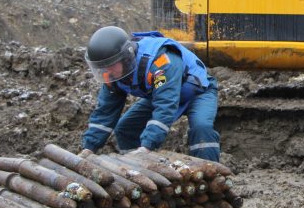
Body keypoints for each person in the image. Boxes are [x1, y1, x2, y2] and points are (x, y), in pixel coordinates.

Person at [78, 26, 221, 161]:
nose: (106, 72)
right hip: (160, 93)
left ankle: (211, 172)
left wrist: (147, 146)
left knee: (201, 127)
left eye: (110, 66)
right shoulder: (112, 74)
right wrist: (88, 148)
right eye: (102, 68)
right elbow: (105, 111)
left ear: (126, 57)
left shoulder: (160, 61)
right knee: (125, 129)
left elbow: (165, 105)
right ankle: (135, 171)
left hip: (198, 92)